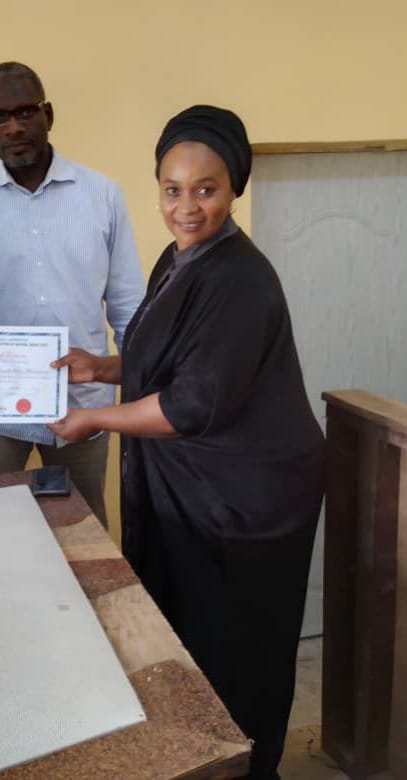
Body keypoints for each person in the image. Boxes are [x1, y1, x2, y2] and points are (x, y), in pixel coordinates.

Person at [50, 105, 325, 779]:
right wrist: (100, 367)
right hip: (199, 485)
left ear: (234, 189)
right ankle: (197, 754)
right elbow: (167, 362)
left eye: (206, 189)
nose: (187, 207)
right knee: (187, 636)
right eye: (173, 189)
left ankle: (243, 767)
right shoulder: (180, 259)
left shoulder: (239, 279)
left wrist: (92, 419)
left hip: (244, 502)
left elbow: (190, 404)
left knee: (234, 649)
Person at [0, 62, 145, 527]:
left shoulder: (102, 196)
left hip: (85, 407)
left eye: (25, 112)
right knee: (5, 532)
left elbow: (128, 307)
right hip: (1, 408)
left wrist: (143, 401)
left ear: (48, 114)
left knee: (86, 531)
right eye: (1, 117)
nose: (13, 128)